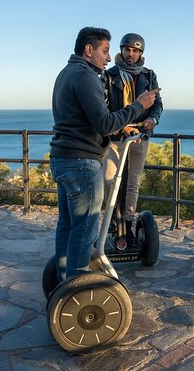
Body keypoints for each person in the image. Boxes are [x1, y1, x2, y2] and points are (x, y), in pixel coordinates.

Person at [49, 26, 159, 280]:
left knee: (67, 226)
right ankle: (76, 287)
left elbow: (87, 121)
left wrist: (121, 127)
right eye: (105, 51)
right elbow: (105, 123)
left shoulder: (65, 73)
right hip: (81, 162)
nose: (109, 58)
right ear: (89, 50)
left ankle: (62, 281)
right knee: (85, 230)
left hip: (63, 158)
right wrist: (138, 106)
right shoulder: (86, 76)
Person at [103, 33, 163, 244]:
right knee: (110, 180)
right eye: (128, 50)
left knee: (133, 181)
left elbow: (157, 104)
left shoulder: (149, 75)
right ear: (121, 50)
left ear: (140, 53)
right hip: (116, 136)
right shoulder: (110, 75)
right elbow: (106, 106)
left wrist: (153, 120)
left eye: (135, 51)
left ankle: (128, 221)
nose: (131, 54)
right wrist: (121, 125)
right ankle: (112, 219)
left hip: (140, 135)